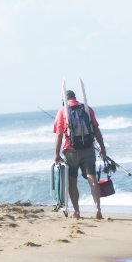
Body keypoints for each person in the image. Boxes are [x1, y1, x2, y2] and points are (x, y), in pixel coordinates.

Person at [53, 89, 108, 219]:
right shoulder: (87, 109)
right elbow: (96, 130)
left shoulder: (62, 111)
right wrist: (102, 148)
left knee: (72, 181)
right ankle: (97, 208)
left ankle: (77, 212)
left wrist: (57, 154)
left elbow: (59, 134)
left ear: (64, 99)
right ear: (75, 97)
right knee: (92, 179)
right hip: (88, 149)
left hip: (71, 151)